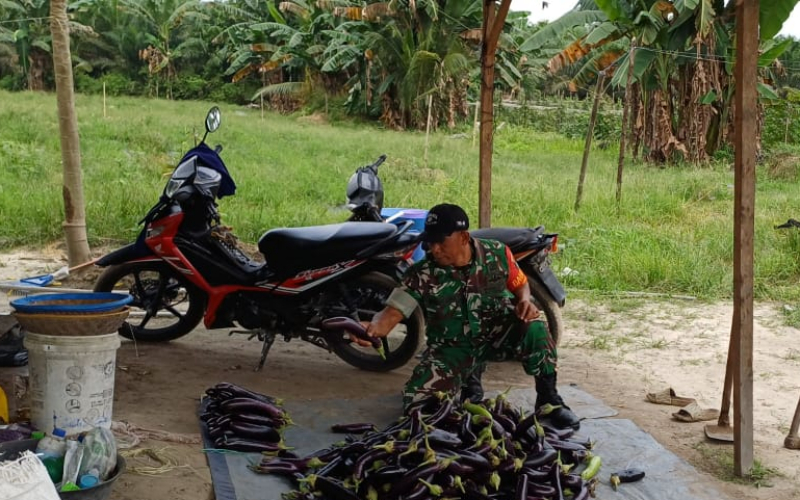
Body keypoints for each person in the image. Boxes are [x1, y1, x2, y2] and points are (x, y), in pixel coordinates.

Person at [357, 203, 580, 430]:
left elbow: (520, 283)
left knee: (535, 326)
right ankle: (469, 379)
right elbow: (390, 314)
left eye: (441, 242)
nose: (434, 249)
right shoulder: (421, 273)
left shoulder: (497, 253)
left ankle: (549, 401)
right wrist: (372, 329)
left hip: (495, 337)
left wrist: (524, 301)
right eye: (430, 242)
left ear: (463, 237)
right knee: (418, 410)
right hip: (452, 350)